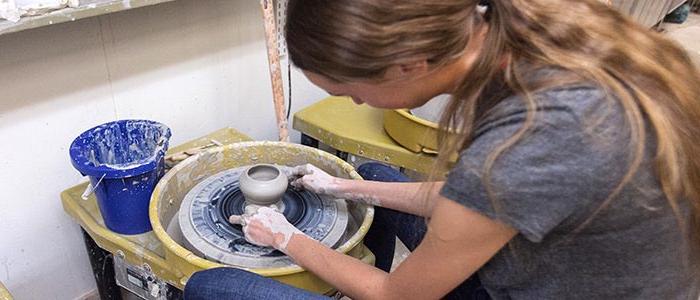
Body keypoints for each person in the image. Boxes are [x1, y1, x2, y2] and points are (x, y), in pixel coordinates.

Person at [184, 0, 700, 299]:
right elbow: (482, 201)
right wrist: (341, 186)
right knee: (373, 179)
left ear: (408, 63)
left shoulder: (534, 138)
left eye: (350, 90)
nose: (353, 101)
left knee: (215, 288)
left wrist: (286, 236)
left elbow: (397, 297)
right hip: (567, 268)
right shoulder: (528, 40)